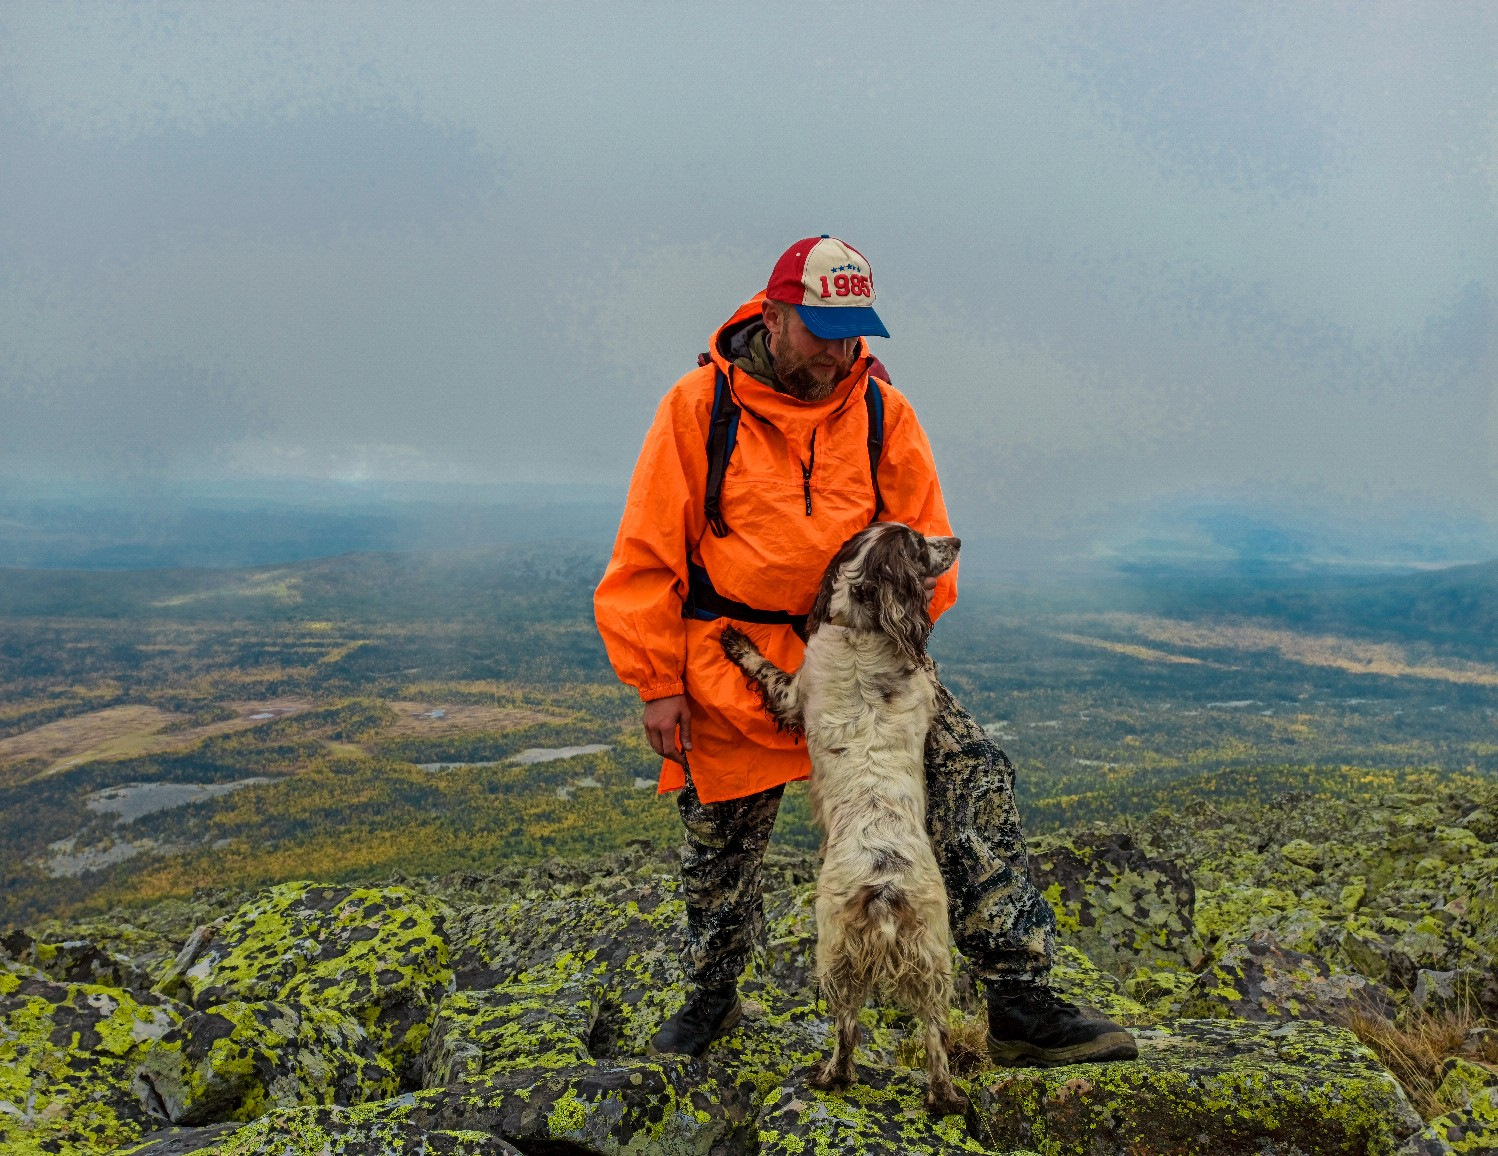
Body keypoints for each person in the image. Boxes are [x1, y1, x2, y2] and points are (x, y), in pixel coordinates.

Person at [593, 236, 1137, 1067]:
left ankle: (1021, 1003)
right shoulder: (698, 408)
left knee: (974, 774)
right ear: (772, 316)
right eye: (820, 328)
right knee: (721, 842)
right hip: (731, 655)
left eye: (852, 330)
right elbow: (646, 559)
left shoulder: (884, 413)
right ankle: (710, 1000)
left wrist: (884, 643)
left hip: (863, 654)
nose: (840, 349)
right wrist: (655, 680)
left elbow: (926, 555)